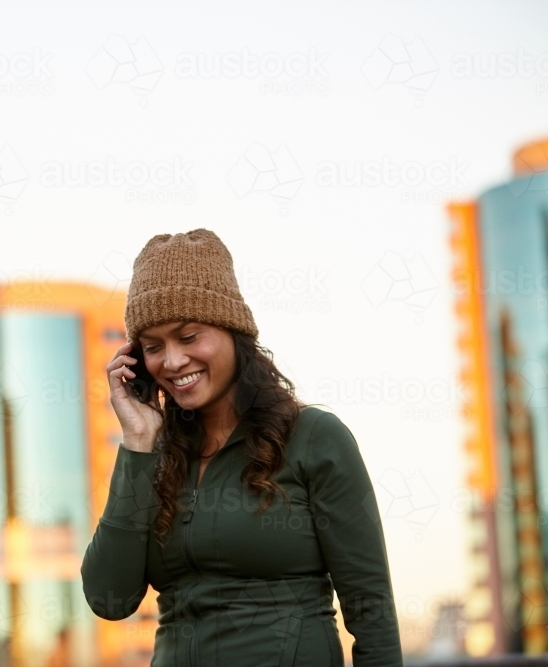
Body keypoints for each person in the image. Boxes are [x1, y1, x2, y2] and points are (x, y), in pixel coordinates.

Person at [80, 229, 403, 667]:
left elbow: (372, 611)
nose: (172, 362)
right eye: (153, 347)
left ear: (233, 331)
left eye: (189, 337)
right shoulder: (156, 460)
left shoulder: (314, 437)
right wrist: (138, 445)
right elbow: (108, 597)